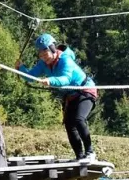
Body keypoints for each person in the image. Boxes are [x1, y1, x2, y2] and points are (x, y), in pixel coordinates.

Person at [22, 32, 99, 162]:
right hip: (70, 96)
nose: (44, 58)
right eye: (41, 55)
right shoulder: (43, 64)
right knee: (69, 124)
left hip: (85, 90)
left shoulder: (65, 59)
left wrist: (51, 80)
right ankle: (80, 156)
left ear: (53, 49)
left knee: (79, 119)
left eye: (45, 54)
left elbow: (66, 79)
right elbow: (31, 77)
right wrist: (21, 68)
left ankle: (90, 152)